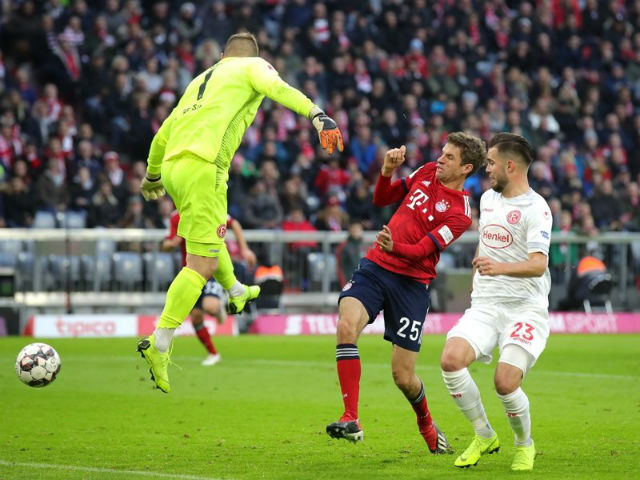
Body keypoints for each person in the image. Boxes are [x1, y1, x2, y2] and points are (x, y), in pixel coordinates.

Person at [137, 32, 343, 393]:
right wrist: (317, 114)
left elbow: (162, 134)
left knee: (212, 238)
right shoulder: (252, 66)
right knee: (199, 264)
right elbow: (278, 88)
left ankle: (235, 290)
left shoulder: (199, 80)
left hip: (174, 167)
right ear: (253, 56)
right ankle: (161, 341)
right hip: (205, 165)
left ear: (221, 54)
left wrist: (152, 175)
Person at [326, 132, 487, 455]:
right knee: (346, 327)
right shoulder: (426, 171)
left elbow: (422, 250)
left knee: (403, 376)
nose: (440, 159)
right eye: (442, 153)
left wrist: (395, 245)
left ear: (466, 168)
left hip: (412, 285)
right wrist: (387, 171)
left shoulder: (460, 212)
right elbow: (382, 199)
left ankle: (425, 422)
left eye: (450, 157)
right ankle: (351, 418)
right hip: (376, 266)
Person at [440, 132, 552, 471]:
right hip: (486, 305)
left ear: (510, 165)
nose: (486, 169)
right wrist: (480, 266)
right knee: (451, 360)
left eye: (490, 163)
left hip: (525, 310)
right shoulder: (488, 199)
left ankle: (524, 444)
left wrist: (498, 267)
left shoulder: (537, 209)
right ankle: (484, 434)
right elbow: (487, 241)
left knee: (505, 382)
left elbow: (538, 264)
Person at [161, 209, 257, 366]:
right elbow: (165, 245)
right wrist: (172, 243)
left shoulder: (208, 207)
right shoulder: (176, 217)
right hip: (191, 272)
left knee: (210, 306)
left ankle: (218, 309)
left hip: (211, 266)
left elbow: (234, 224)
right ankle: (213, 353)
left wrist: (244, 249)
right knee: (196, 316)